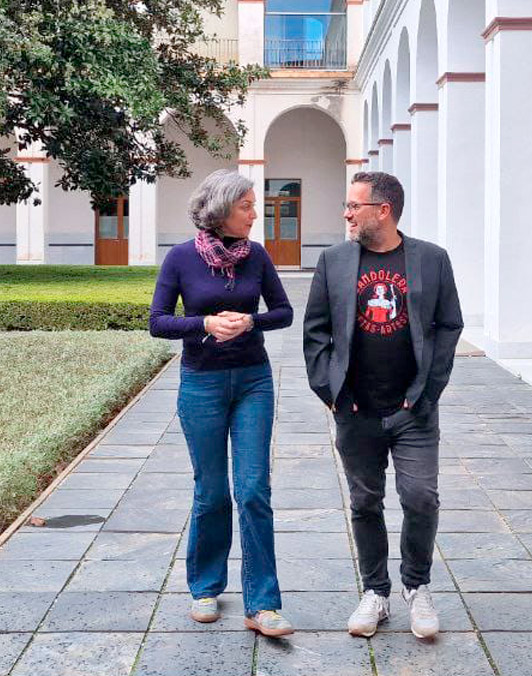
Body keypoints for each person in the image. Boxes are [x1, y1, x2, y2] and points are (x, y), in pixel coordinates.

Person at [303, 171, 463, 639]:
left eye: (354, 206)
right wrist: (331, 392)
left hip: (413, 410)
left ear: (383, 209)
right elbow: (316, 331)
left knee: (420, 498)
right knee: (364, 502)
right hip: (356, 410)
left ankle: (417, 586)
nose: (346, 213)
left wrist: (426, 392)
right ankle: (376, 592)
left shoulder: (431, 260)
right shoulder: (333, 261)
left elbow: (448, 325)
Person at [149, 169, 295, 637]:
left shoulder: (257, 256)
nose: (256, 213)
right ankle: (205, 588)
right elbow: (157, 322)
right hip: (202, 384)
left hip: (253, 380)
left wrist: (251, 323)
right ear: (220, 210)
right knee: (211, 492)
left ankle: (264, 604)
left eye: (255, 205)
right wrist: (205, 324)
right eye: (247, 206)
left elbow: (284, 312)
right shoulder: (180, 258)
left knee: (253, 490)